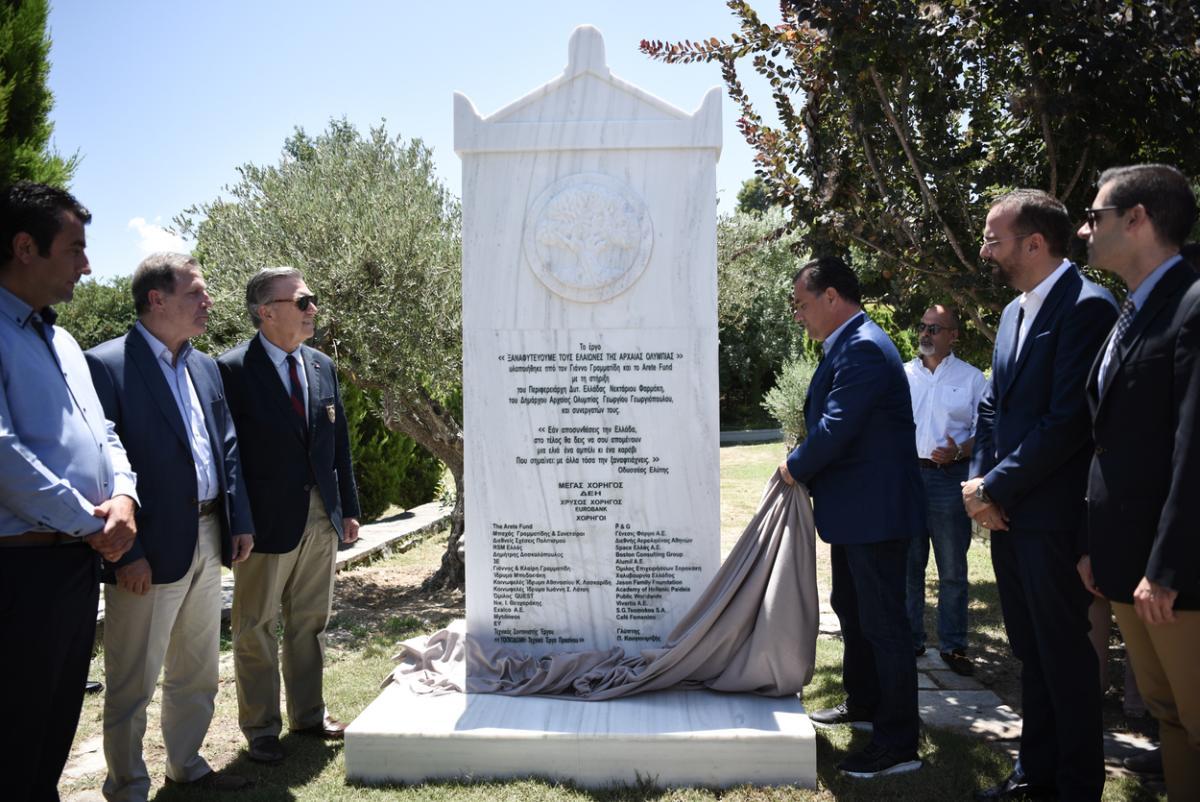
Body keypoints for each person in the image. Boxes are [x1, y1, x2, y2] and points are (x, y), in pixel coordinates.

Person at [965, 189, 1117, 802]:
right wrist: (982, 486)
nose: (985, 250)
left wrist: (994, 485)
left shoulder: (1089, 307)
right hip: (1008, 516)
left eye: (993, 239)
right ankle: (1035, 773)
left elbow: (1066, 422)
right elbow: (992, 406)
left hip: (1055, 518)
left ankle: (1076, 786)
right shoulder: (1011, 313)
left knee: (1065, 657)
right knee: (1031, 652)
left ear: (1034, 243)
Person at [85, 253, 256, 798]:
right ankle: (128, 787)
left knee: (198, 668)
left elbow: (226, 446)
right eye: (195, 293)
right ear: (156, 299)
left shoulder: (205, 366)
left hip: (208, 534)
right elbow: (97, 467)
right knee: (132, 680)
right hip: (147, 547)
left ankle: (187, 765)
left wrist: (237, 519)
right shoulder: (105, 365)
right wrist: (125, 554)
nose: (208, 302)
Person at [0, 181, 139, 801]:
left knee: (52, 735)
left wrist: (124, 499)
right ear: (25, 247)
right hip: (19, 573)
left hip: (75, 567)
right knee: (14, 741)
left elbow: (102, 432)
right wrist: (93, 522)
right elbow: (3, 455)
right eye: (75, 248)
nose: (86, 265)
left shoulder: (62, 341)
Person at [1075, 164, 1200, 800]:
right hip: (1128, 567)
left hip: (1175, 580)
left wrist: (1167, 568)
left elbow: (1193, 450)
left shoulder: (1192, 306)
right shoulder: (1135, 307)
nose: (1083, 229)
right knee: (1169, 716)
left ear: (1138, 219)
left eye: (1093, 216)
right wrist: (1098, 548)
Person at [777, 256, 925, 778]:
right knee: (853, 610)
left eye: (802, 304)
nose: (799, 315)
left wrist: (794, 466)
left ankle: (898, 744)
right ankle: (865, 703)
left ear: (832, 297)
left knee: (885, 625)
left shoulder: (863, 346)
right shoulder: (847, 344)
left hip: (876, 514)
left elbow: (837, 426)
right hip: (856, 513)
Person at [218, 266, 361, 764]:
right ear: (266, 312)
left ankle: (309, 714)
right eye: (302, 301)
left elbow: (338, 445)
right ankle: (261, 728)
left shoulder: (321, 365)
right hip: (262, 525)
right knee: (255, 627)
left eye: (311, 300)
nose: (312, 309)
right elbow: (228, 457)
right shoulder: (231, 369)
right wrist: (238, 521)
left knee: (310, 622)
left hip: (320, 516)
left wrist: (348, 509)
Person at [903, 304, 987, 675]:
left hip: (948, 479)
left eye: (935, 328)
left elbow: (985, 432)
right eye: (923, 326)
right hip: (908, 479)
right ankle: (910, 641)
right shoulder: (903, 375)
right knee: (909, 567)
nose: (925, 333)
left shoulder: (972, 379)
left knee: (952, 569)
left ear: (954, 335)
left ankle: (953, 647)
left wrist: (959, 451)